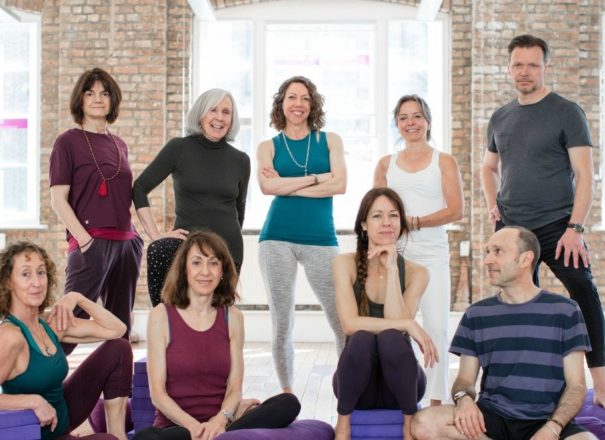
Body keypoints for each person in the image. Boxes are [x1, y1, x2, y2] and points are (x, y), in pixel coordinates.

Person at [480, 34, 605, 406]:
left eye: (533, 65)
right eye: (518, 64)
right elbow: (488, 167)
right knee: (515, 306)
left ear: (545, 67)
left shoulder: (567, 112)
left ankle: (601, 387)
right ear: (509, 68)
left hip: (558, 227)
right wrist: (492, 203)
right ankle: (514, 387)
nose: (525, 71)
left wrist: (575, 228)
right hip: (513, 231)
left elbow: (585, 175)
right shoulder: (500, 116)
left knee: (584, 294)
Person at [411, 226, 596, 440]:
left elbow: (577, 386)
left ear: (525, 259)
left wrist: (553, 427)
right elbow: (464, 381)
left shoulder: (566, 310)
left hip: (547, 420)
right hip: (492, 417)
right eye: (488, 252)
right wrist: (464, 400)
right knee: (424, 423)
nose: (487, 260)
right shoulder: (476, 314)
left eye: (498, 251)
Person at [134, 231, 300, 440]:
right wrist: (195, 428)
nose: (205, 271)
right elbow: (158, 394)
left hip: (221, 426)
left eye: (213, 263)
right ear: (184, 269)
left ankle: (225, 434)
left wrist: (219, 421)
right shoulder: (161, 315)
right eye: (197, 262)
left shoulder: (233, 317)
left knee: (288, 403)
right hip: (178, 429)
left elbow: (234, 387)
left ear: (222, 271)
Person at [257, 76, 347, 393]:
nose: (298, 104)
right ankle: (288, 395)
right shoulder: (268, 147)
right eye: (292, 97)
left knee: (343, 321)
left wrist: (287, 185)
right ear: (281, 103)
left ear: (313, 104)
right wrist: (317, 179)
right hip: (276, 238)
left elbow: (340, 184)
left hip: (321, 238)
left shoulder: (330, 140)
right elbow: (267, 187)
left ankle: (348, 391)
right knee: (282, 324)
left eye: (305, 98)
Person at [374, 94, 463, 406]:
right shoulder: (385, 164)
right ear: (397, 124)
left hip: (432, 254)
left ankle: (437, 399)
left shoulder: (444, 161)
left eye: (416, 116)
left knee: (436, 326)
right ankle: (402, 396)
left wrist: (414, 222)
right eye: (403, 118)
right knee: (396, 327)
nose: (410, 123)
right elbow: (376, 210)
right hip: (395, 254)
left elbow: (456, 210)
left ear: (427, 121)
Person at [49, 67, 143, 354]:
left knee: (120, 327)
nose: (98, 99)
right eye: (90, 93)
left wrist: (138, 238)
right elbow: (58, 199)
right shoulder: (67, 142)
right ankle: (43, 379)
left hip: (126, 243)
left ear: (112, 100)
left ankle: (119, 382)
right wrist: (85, 240)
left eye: (104, 93)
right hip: (91, 242)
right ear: (80, 99)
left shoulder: (119, 144)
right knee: (67, 323)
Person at [332, 187, 438, 440]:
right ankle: (343, 425)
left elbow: (395, 327)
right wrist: (409, 324)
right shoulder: (344, 264)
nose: (387, 222)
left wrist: (392, 269)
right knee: (361, 337)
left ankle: (409, 425)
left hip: (402, 386)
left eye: (393, 215)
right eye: (377, 216)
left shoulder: (417, 272)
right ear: (364, 225)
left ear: (401, 223)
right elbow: (349, 324)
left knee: (391, 337)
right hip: (357, 385)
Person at [0, 242, 133, 440]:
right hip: (41, 434)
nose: (37, 282)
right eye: (26, 274)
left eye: (41, 272)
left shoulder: (50, 324)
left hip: (63, 418)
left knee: (119, 348)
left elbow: (117, 330)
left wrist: (78, 298)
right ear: (8, 282)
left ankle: (119, 434)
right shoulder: (10, 336)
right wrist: (33, 401)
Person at [133, 89, 251, 307]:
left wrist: (229, 241)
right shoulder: (179, 148)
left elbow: (239, 209)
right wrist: (155, 235)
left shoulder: (241, 160)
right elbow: (139, 188)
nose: (219, 117)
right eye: (213, 110)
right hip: (186, 247)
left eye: (226, 112)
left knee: (216, 315)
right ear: (200, 114)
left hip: (227, 248)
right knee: (171, 305)